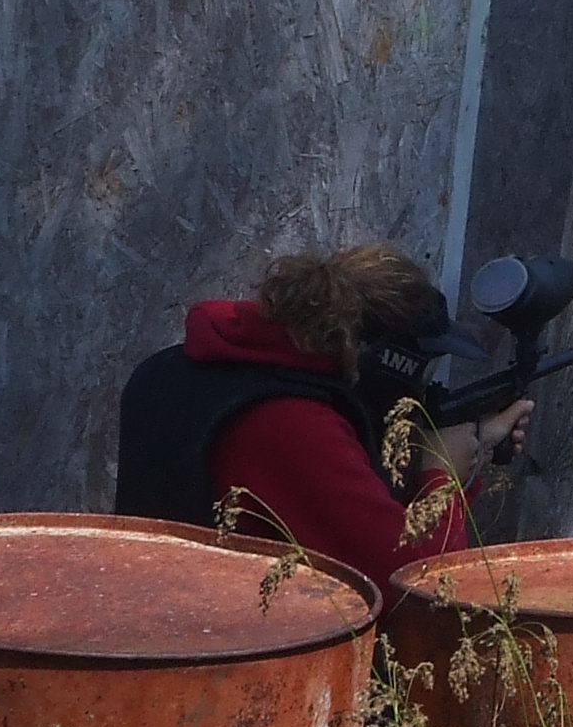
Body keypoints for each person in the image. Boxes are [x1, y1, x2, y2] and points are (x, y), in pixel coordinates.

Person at [115, 242, 534, 592]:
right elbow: (414, 583)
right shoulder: (292, 423)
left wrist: (473, 450)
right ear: (388, 364)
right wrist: (442, 474)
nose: (419, 392)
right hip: (236, 649)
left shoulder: (203, 368)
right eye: (420, 372)